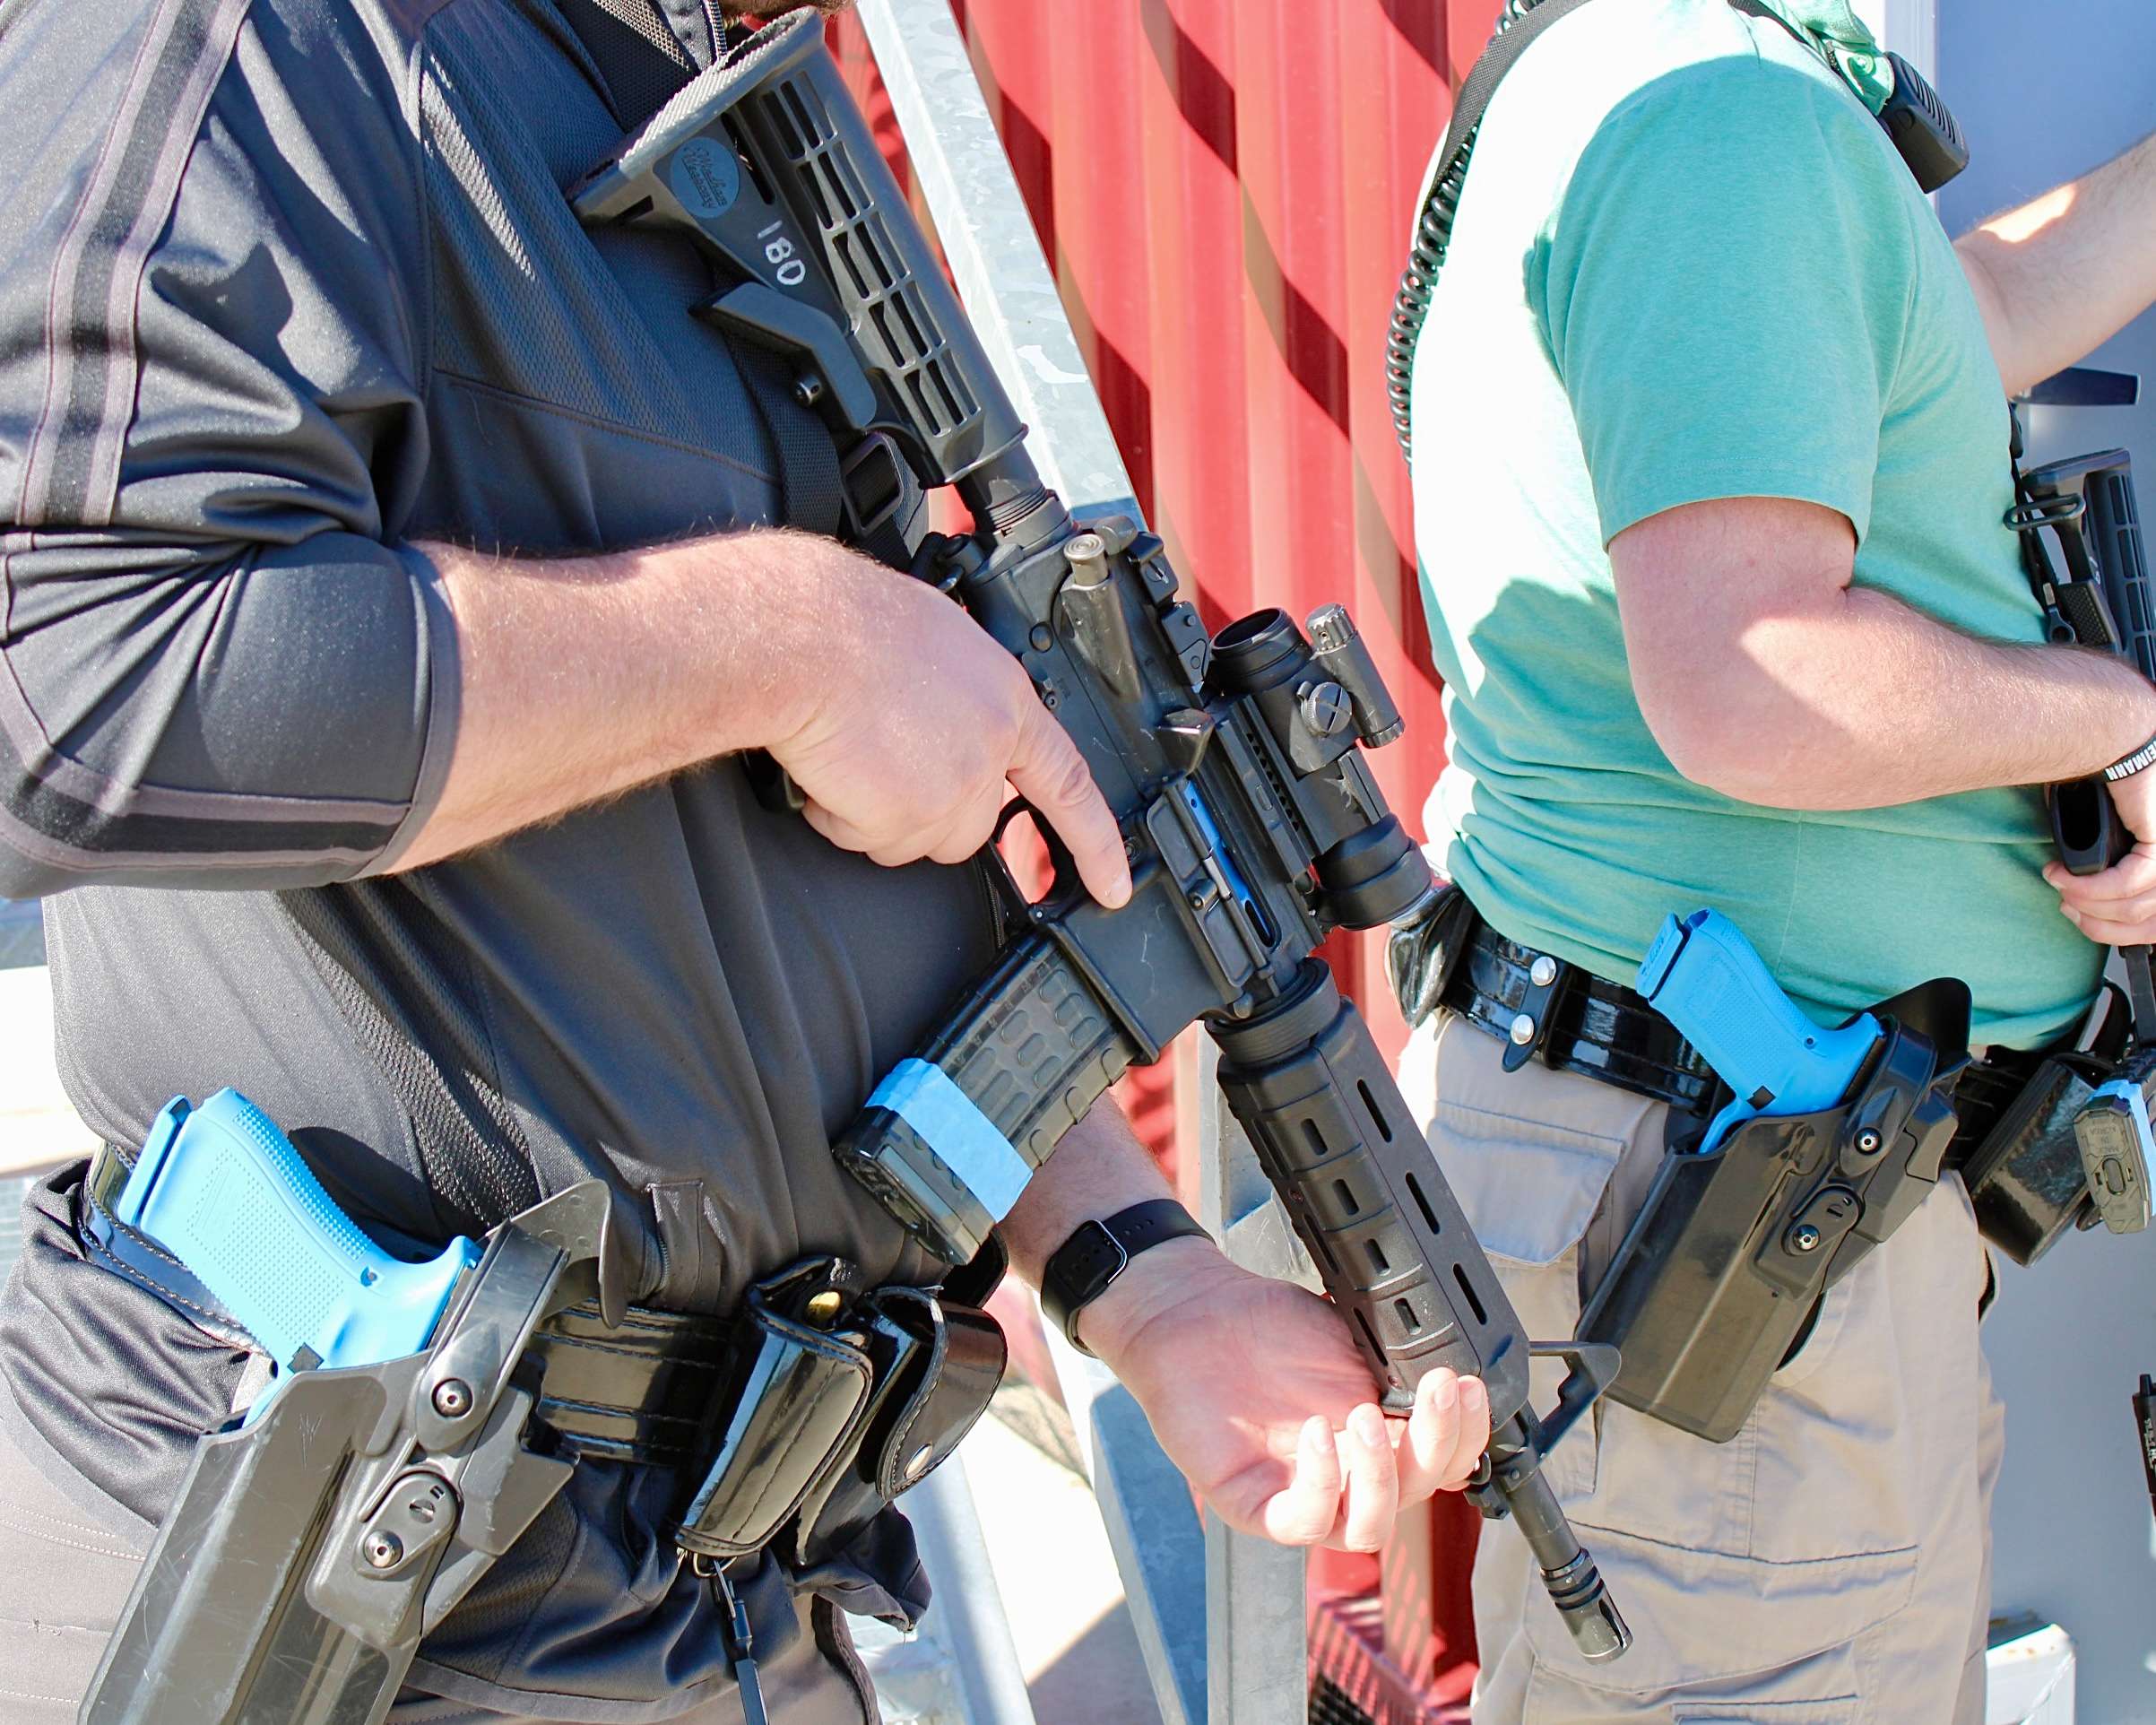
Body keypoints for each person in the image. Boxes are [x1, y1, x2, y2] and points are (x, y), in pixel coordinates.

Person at [0, 1, 1494, 1721]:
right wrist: (785, 641)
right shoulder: (271, 40)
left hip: (732, 1576)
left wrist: (1140, 1272)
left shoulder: (698, 99)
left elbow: (812, 904)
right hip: (333, 1555)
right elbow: (71, 683)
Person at [1393, 1, 2156, 1719]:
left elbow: (1967, 323)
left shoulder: (1663, 90)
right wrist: (2117, 721)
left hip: (1714, 1186)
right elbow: (1752, 680)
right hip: (1743, 1213)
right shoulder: (1725, 123)